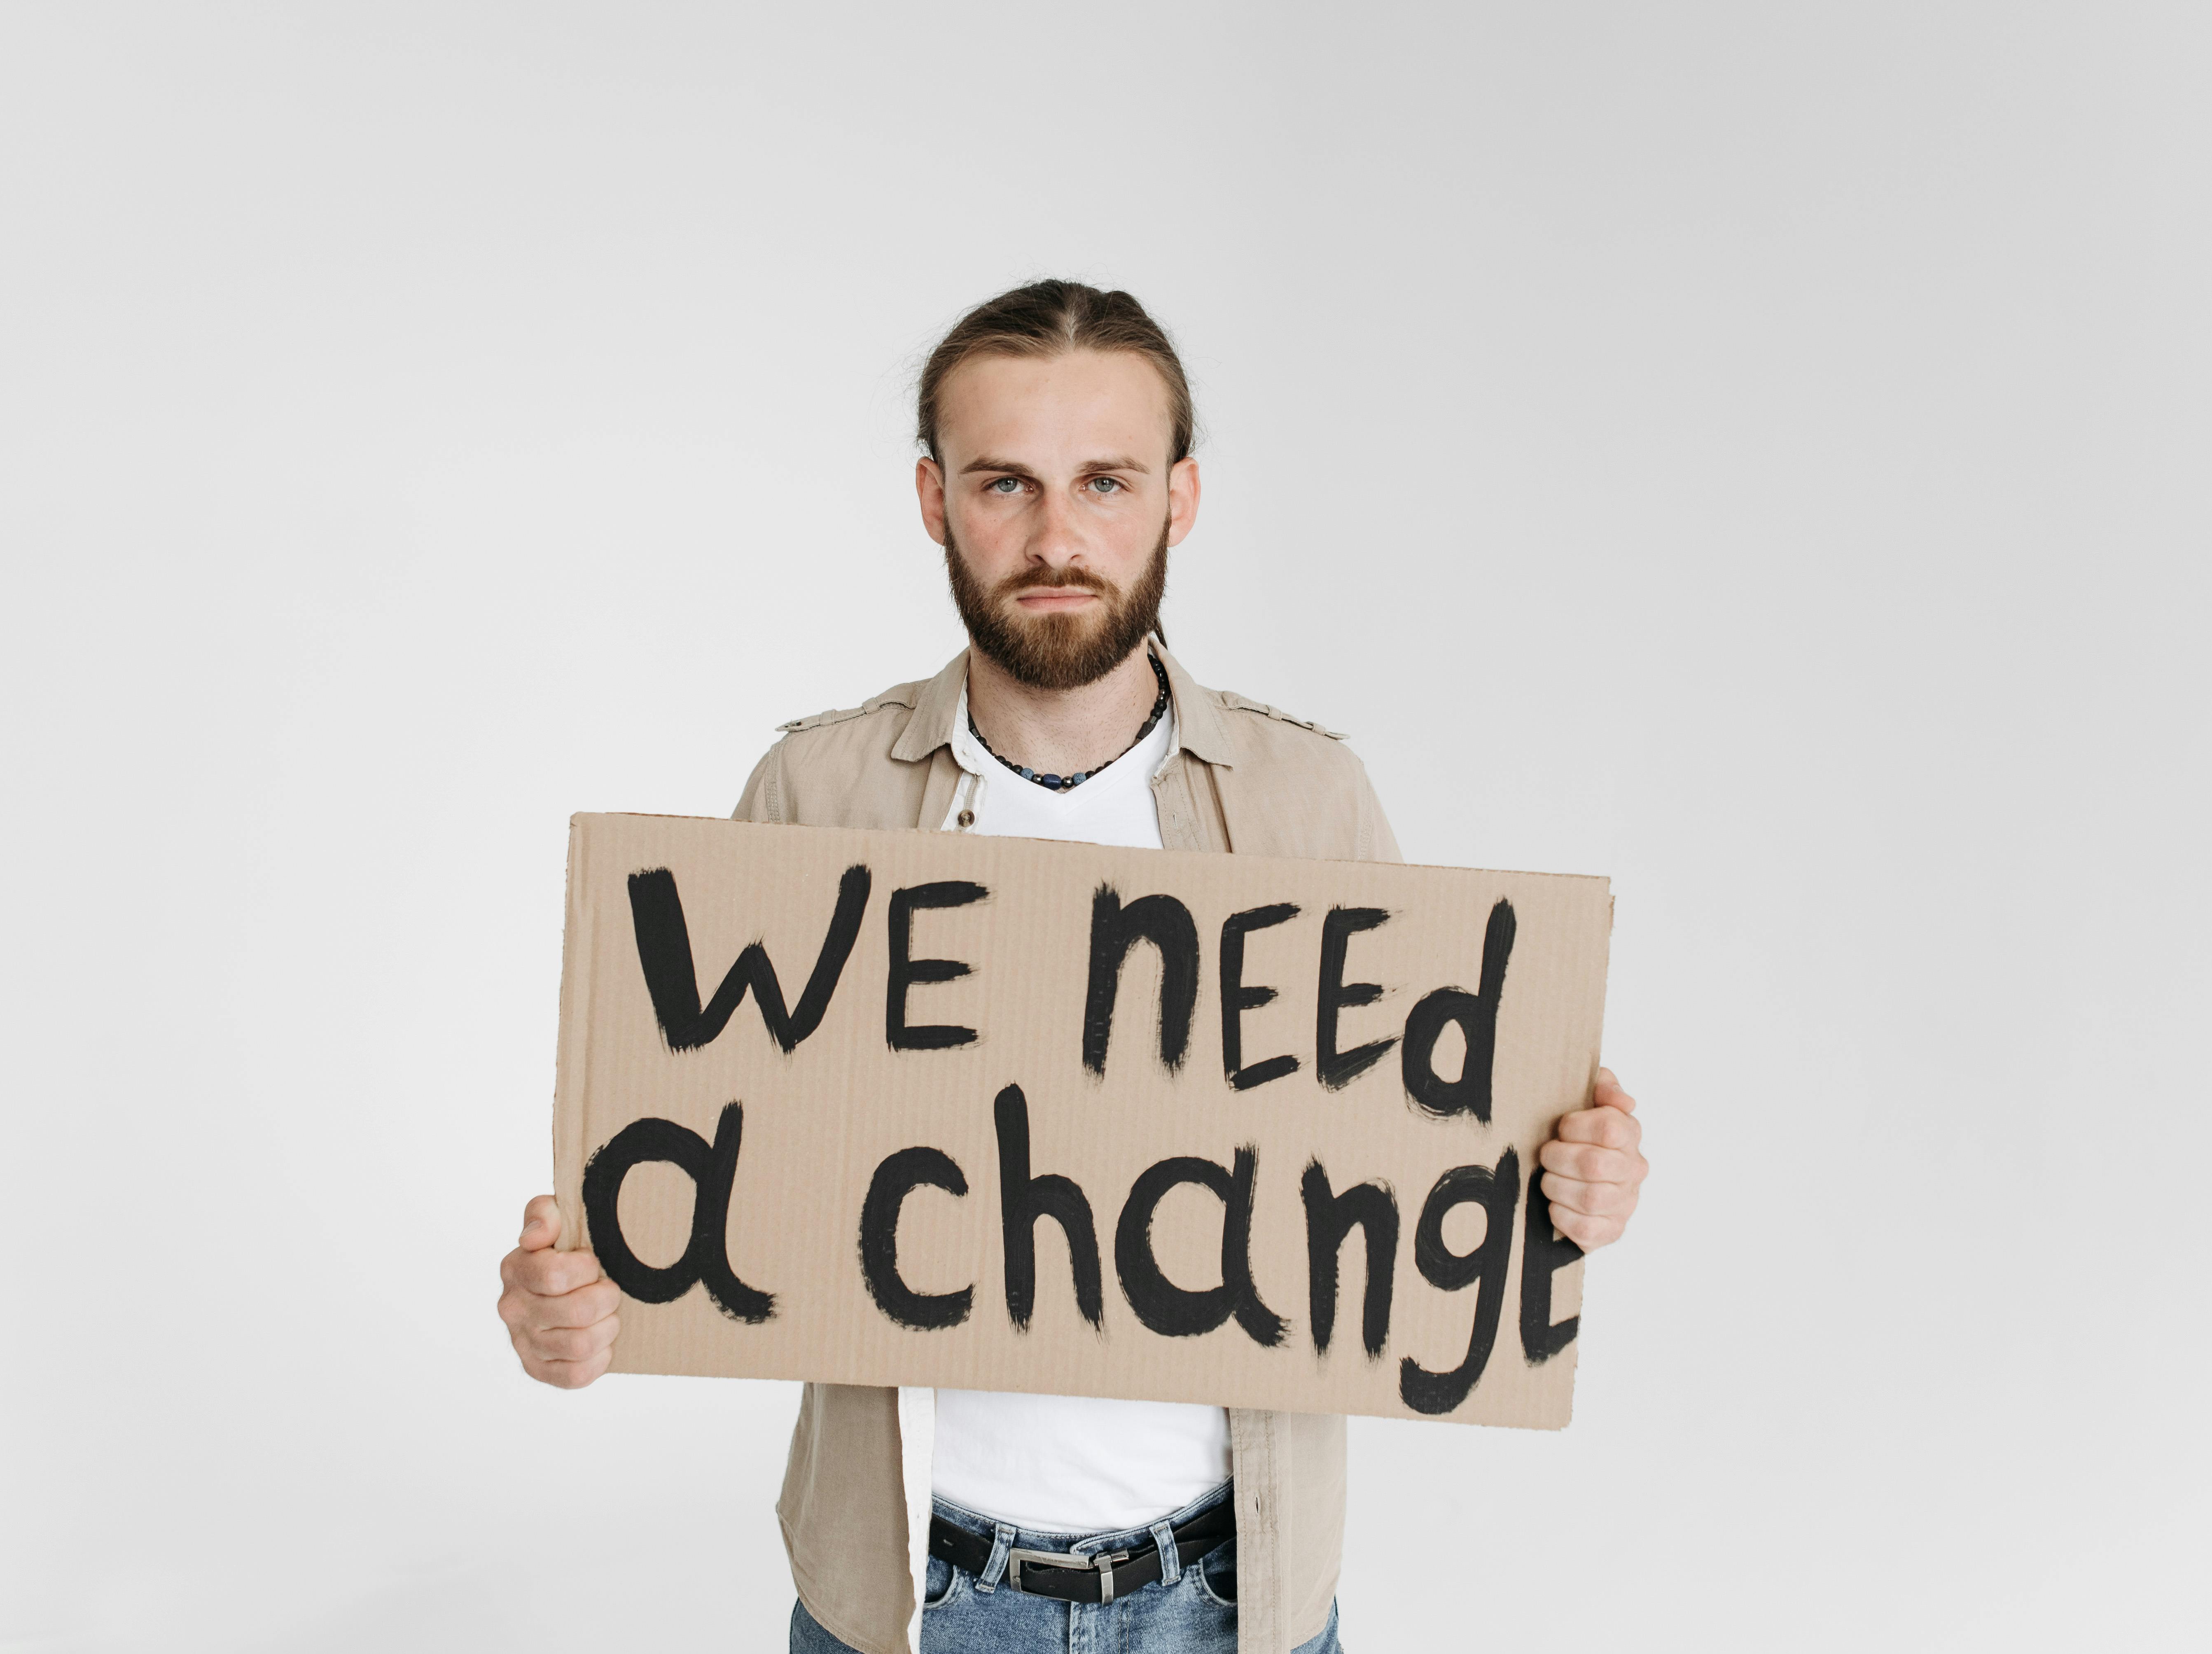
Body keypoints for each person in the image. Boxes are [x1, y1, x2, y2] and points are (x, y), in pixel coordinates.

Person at [496, 280, 1651, 1654]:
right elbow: (705, 1180)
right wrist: (567, 1308)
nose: (1057, 536)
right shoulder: (818, 792)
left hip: (1237, 1605)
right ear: (934, 500)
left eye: (1105, 481)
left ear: (1180, 498)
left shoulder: (1310, 801)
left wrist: (1572, 1186)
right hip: (908, 1605)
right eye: (1006, 484)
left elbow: (1422, 1171)